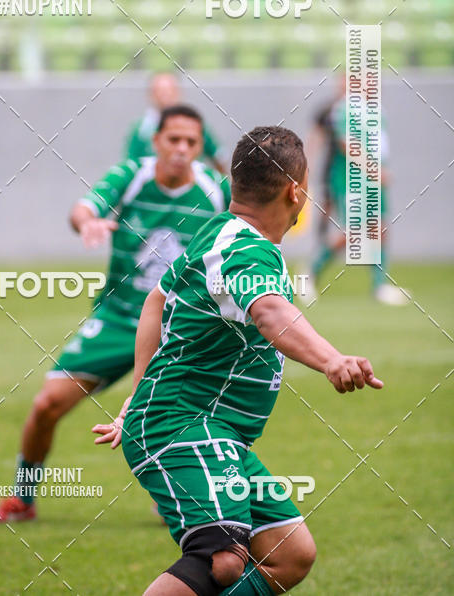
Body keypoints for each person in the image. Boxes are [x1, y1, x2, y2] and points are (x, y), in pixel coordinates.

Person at [94, 125, 383, 595]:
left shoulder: (220, 231)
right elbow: (269, 311)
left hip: (214, 432)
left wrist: (135, 397)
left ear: (234, 184)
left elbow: (155, 302)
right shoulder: (245, 251)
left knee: (290, 554)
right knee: (222, 558)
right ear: (296, 192)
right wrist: (331, 360)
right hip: (183, 423)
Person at [0, 105, 231, 524]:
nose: (182, 149)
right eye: (174, 140)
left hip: (180, 328)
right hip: (118, 319)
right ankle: (22, 499)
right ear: (157, 142)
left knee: (195, 415)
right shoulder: (131, 176)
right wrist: (88, 225)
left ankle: (184, 495)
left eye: (192, 142)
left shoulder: (214, 189)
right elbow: (84, 209)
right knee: (47, 405)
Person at [305, 77, 405, 306]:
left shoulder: (378, 110)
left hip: (373, 181)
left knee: (380, 229)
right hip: (351, 181)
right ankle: (310, 273)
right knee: (355, 233)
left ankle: (380, 286)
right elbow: (347, 144)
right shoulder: (343, 109)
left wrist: (381, 172)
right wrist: (374, 171)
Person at [125, 73, 227, 174]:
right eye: (160, 91)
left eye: (169, 90)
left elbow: (218, 157)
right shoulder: (141, 130)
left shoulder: (195, 125)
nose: (182, 149)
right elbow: (130, 164)